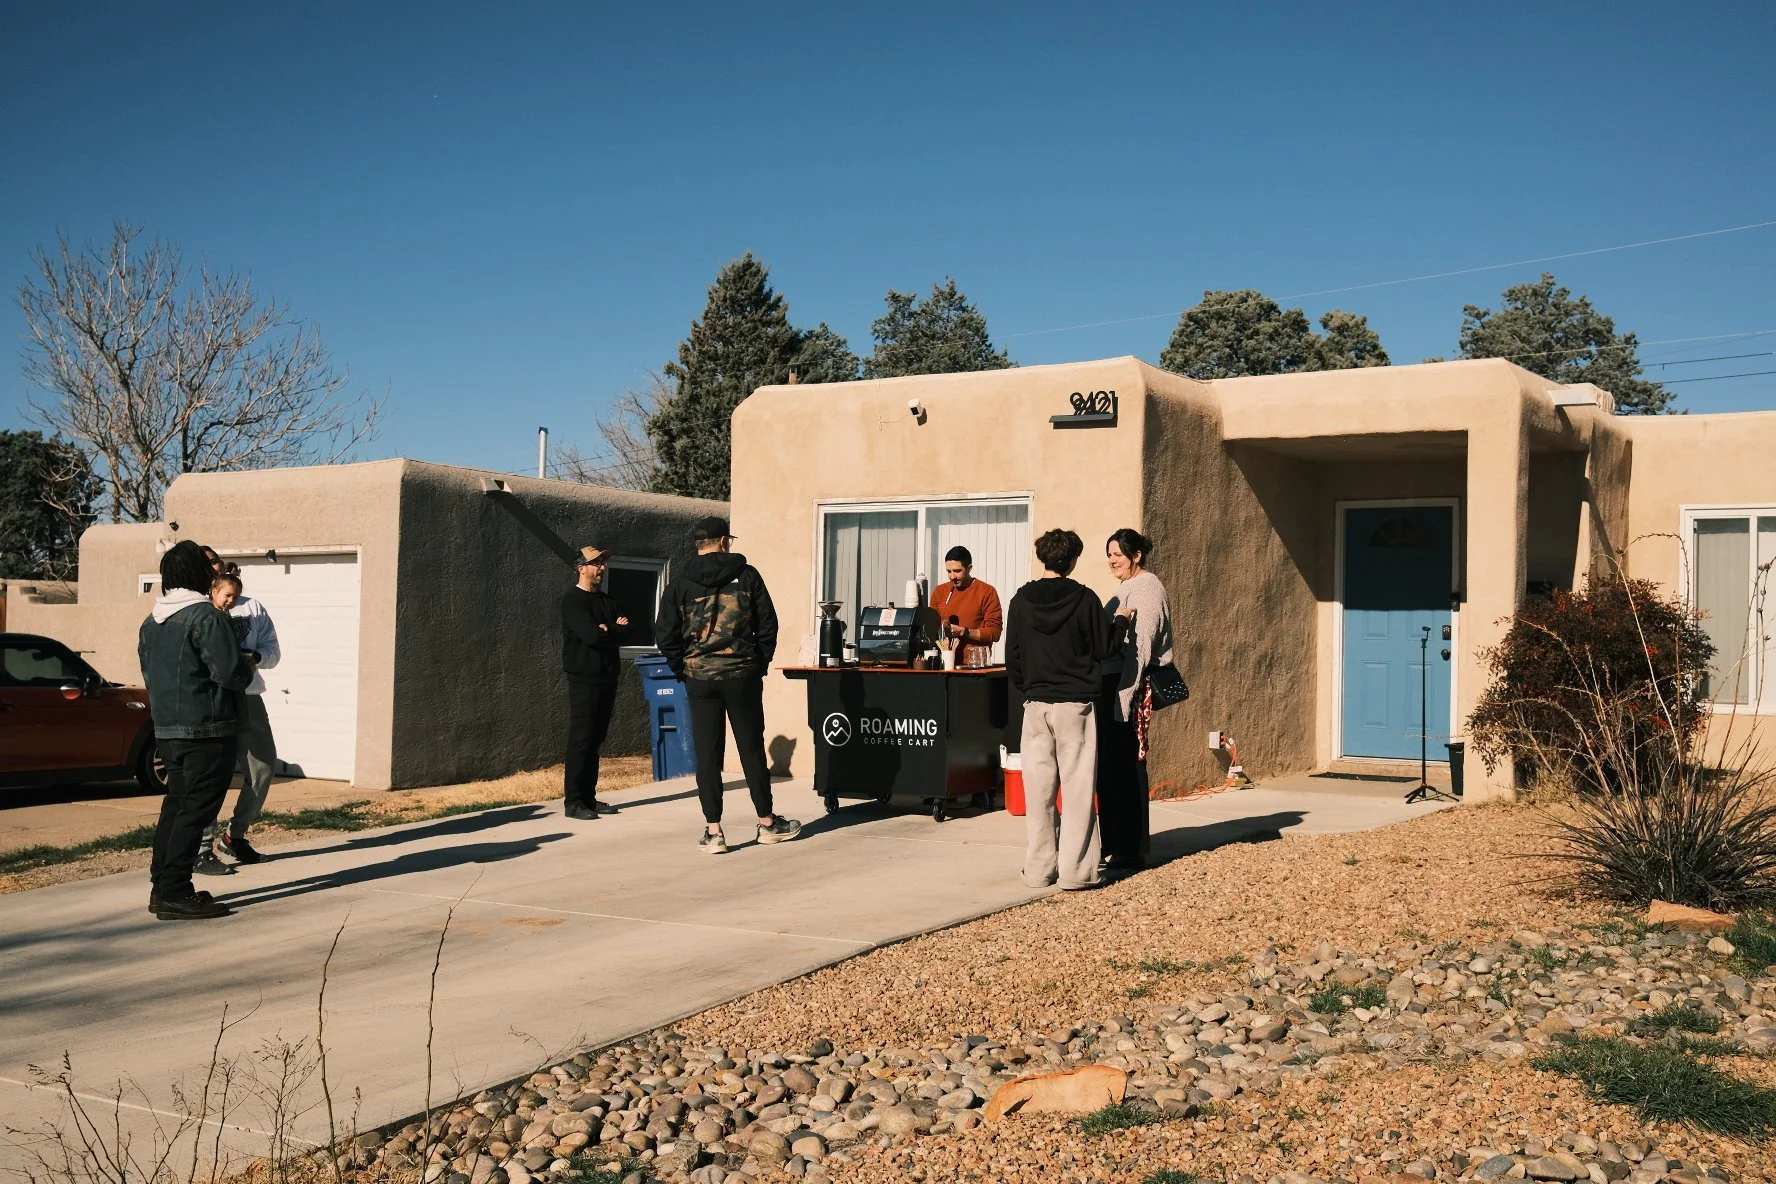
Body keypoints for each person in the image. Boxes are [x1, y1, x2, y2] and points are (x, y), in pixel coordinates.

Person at [655, 516, 800, 854]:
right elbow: (768, 624)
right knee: (750, 748)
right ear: (723, 540)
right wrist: (757, 663)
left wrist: (684, 667)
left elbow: (665, 633)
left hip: (700, 678)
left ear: (699, 543)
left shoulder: (681, 583)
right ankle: (767, 823)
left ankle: (714, 831)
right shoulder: (748, 577)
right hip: (741, 676)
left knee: (708, 754)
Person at [139, 541, 253, 919]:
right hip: (207, 727)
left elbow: (148, 673)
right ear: (197, 576)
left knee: (177, 806)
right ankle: (174, 892)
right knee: (195, 810)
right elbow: (230, 673)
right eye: (207, 569)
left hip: (167, 730)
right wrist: (247, 663)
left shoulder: (152, 621)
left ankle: (163, 886)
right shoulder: (206, 617)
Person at [1005, 528, 1112, 891]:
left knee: (1038, 793)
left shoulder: (1020, 600)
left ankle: (1038, 870)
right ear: (1073, 560)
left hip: (1036, 705)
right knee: (1078, 790)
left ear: (1044, 558)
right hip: (1076, 705)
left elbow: (1013, 657)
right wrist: (1123, 620)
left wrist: (1030, 689)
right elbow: (1103, 648)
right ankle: (1077, 872)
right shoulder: (1085, 599)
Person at [1099, 528, 1174, 876]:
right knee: (1112, 770)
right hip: (1116, 689)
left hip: (1127, 690)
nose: (1113, 560)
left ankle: (1130, 849)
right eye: (1110, 554)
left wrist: (1124, 700)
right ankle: (1116, 845)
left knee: (1128, 769)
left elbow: (1140, 649)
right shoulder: (1126, 587)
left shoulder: (1146, 587)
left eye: (1118, 553)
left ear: (1137, 555)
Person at [560, 544, 628, 820]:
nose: (602, 567)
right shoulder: (572, 601)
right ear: (581, 568)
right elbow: (591, 636)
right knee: (581, 738)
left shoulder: (607, 602)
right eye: (596, 563)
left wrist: (609, 628)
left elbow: (626, 630)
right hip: (583, 677)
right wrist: (613, 628)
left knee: (596, 738)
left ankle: (589, 797)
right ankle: (574, 802)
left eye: (603, 562)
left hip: (607, 675)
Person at [929, 545, 1003, 667]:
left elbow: (995, 633)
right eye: (949, 571)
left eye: (957, 571)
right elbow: (930, 628)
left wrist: (965, 632)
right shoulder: (940, 592)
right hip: (943, 665)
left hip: (974, 666)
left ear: (969, 568)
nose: (952, 576)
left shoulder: (986, 592)